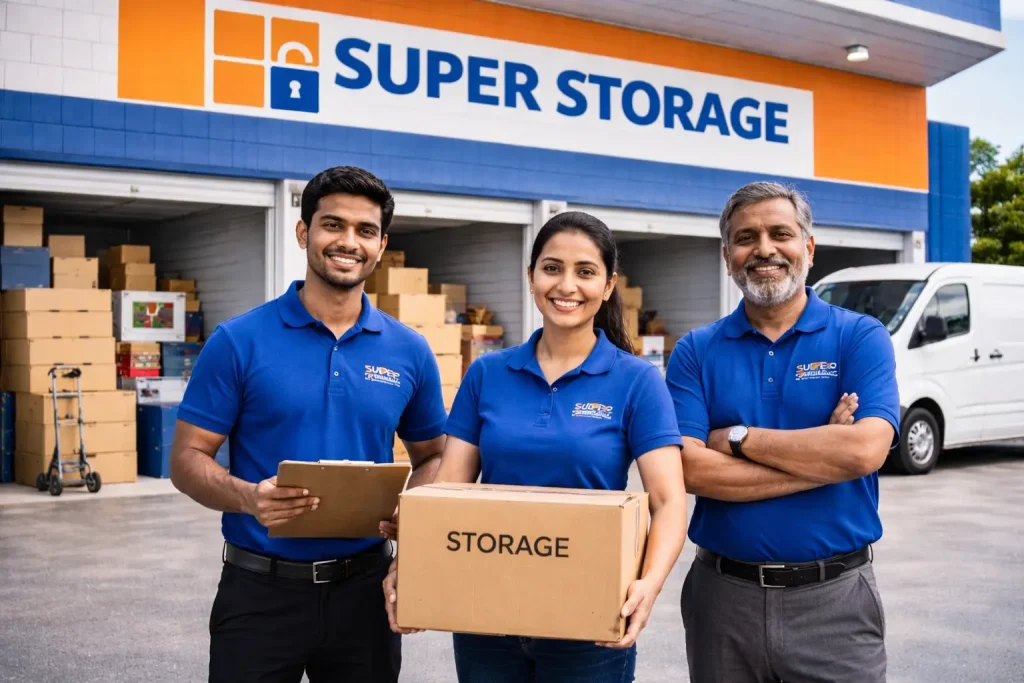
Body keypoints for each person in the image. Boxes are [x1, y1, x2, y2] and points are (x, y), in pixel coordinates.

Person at [381, 210, 688, 683]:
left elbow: (668, 502)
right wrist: (415, 564)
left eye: (585, 272)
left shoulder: (637, 381)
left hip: (590, 616)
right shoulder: (487, 374)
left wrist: (648, 585)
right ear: (531, 277)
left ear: (608, 286)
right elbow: (448, 492)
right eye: (552, 268)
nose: (567, 285)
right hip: (486, 611)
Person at [169, 166, 448, 683]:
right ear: (304, 233)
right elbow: (186, 460)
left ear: (381, 245)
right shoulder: (239, 341)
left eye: (365, 231)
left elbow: (434, 454)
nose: (348, 242)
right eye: (332, 225)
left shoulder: (409, 351)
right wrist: (249, 497)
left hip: (365, 594)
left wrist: (417, 511)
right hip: (258, 592)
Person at [665, 181, 899, 683]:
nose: (764, 249)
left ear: (808, 248)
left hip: (835, 602)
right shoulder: (696, 351)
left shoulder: (859, 336)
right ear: (728, 256)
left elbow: (864, 449)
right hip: (723, 601)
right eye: (746, 237)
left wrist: (737, 439)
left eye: (780, 233)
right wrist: (823, 458)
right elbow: (686, 467)